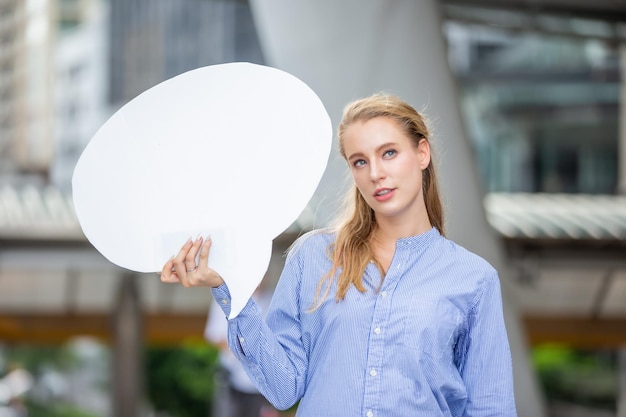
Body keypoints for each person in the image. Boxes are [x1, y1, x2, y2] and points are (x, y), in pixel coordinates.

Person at [161, 93, 518, 416]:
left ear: (422, 153)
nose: (376, 173)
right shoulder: (313, 257)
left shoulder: (473, 279)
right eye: (359, 161)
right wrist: (229, 288)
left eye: (389, 153)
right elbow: (284, 389)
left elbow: (490, 409)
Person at [205, 284, 278, 417]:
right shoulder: (226, 299)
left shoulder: (273, 299)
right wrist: (240, 352)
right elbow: (214, 335)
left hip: (263, 381)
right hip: (232, 378)